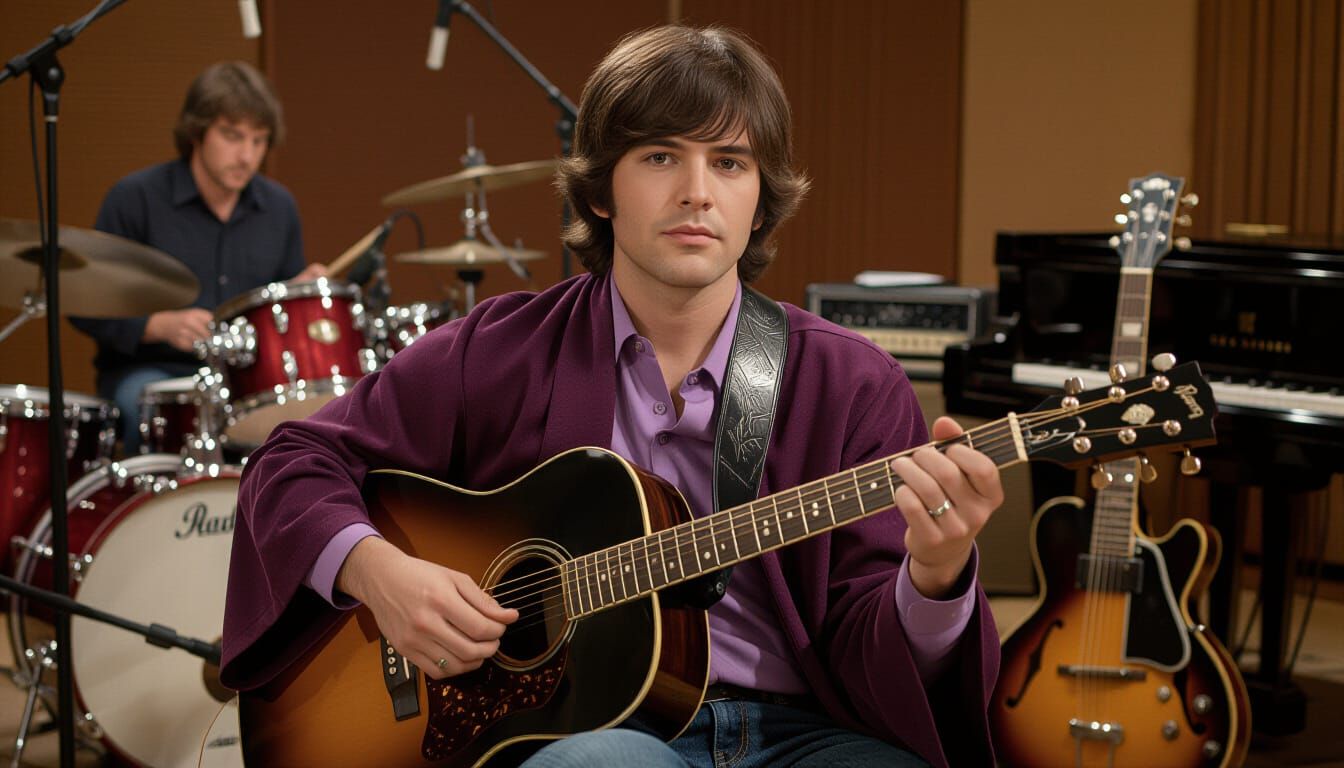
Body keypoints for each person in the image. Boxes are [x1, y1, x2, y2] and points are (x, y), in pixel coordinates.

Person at [221, 25, 1003, 767]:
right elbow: (293, 459)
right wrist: (379, 573)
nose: (698, 193)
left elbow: (881, 659)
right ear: (600, 192)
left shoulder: (854, 383)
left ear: (761, 201)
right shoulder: (500, 349)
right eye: (662, 157)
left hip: (800, 732)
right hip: (590, 731)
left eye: (730, 163)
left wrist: (935, 574)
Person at [70, 61, 326, 452]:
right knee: (151, 413)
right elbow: (82, 301)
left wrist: (298, 296)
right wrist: (157, 326)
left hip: (247, 384)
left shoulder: (279, 207)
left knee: (317, 428)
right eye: (233, 136)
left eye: (259, 141)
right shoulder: (135, 198)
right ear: (197, 131)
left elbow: (279, 319)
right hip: (153, 375)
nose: (247, 156)